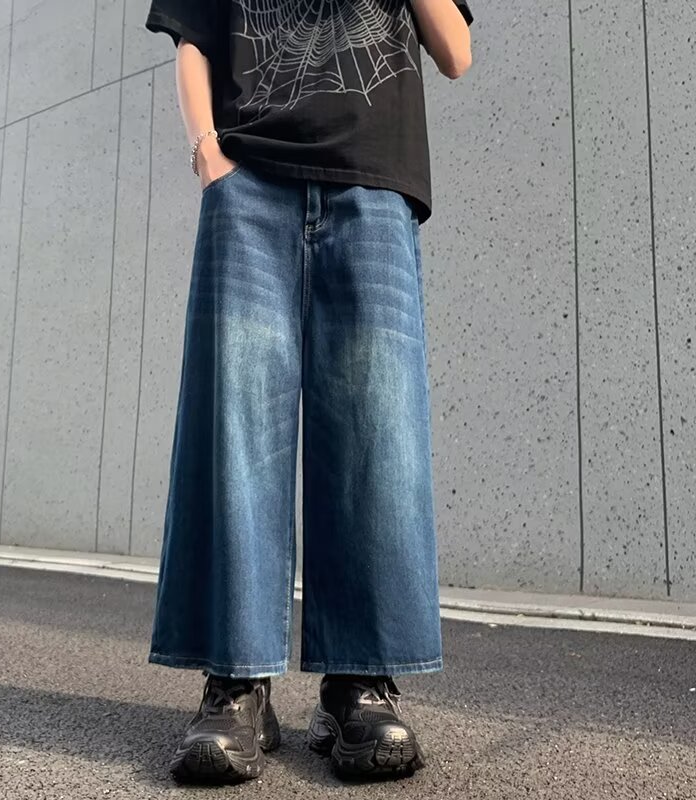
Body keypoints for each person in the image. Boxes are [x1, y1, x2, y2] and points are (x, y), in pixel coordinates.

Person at [144, 0, 474, 784]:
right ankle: (236, 684)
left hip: (374, 184)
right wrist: (207, 153)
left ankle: (359, 683)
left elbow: (454, 51)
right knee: (235, 428)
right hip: (248, 182)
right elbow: (194, 36)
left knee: (376, 432)